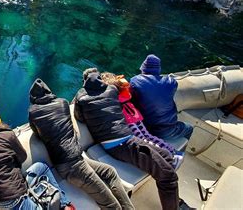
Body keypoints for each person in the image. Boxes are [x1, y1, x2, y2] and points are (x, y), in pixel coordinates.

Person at [74, 68, 192, 210]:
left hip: (123, 141)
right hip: (123, 143)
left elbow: (79, 117)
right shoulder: (111, 90)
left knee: (167, 157)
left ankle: (170, 195)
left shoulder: (81, 96)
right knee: (169, 176)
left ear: (84, 81)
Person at [28, 79, 134, 210]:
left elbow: (37, 133)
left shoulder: (33, 112)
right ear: (49, 92)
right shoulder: (63, 103)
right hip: (74, 165)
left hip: (72, 164)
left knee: (109, 172)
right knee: (111, 205)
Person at [0, 106, 71, 210]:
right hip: (15, 197)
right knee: (43, 168)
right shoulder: (8, 134)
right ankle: (65, 204)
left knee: (41, 167)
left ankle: (62, 204)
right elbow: (23, 157)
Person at [101, 72, 184, 169]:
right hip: (135, 115)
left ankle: (169, 158)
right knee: (148, 136)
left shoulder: (113, 94)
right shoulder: (123, 89)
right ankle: (173, 151)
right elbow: (128, 96)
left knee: (143, 139)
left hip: (128, 119)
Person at [130, 54, 193, 141]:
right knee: (190, 128)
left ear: (143, 68)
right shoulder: (171, 82)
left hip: (144, 130)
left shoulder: (134, 81)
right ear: (158, 69)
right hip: (168, 131)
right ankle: (186, 150)